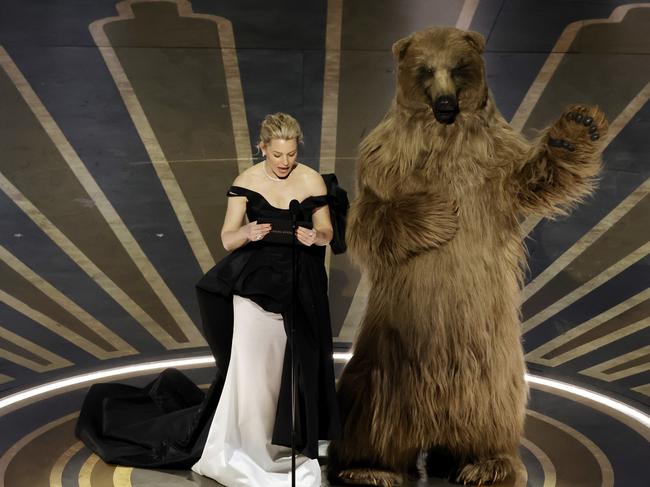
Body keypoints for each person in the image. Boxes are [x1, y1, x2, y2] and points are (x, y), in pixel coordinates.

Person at [75, 113, 346, 486]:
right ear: (262, 147)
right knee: (254, 372)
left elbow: (328, 230)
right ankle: (249, 445)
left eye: (291, 154)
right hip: (255, 287)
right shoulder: (245, 182)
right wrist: (249, 231)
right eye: (277, 154)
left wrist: (316, 238)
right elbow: (227, 238)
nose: (284, 163)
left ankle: (290, 439)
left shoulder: (311, 178)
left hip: (301, 285)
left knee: (295, 364)